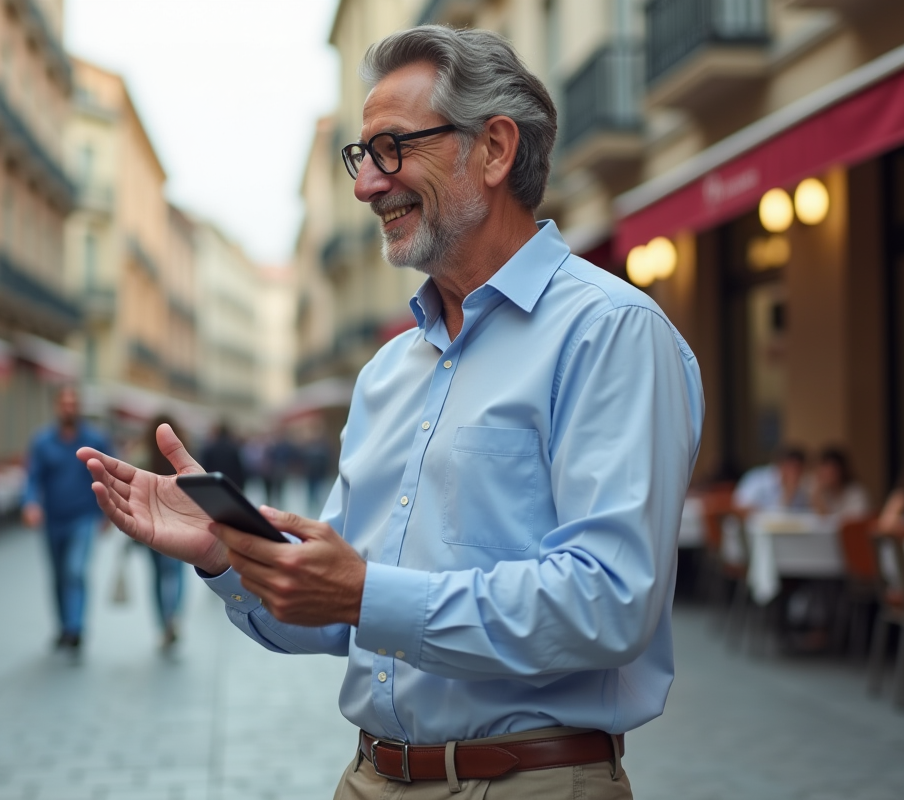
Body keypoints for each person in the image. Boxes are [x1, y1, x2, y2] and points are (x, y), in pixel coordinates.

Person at [82, 26, 702, 799]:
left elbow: (610, 601)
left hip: (530, 783)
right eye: (360, 156)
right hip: (370, 776)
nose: (367, 186)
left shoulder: (609, 331)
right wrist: (225, 553)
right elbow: (336, 617)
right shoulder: (385, 374)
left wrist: (366, 592)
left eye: (392, 149)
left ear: (495, 149)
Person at [22, 385, 112, 656]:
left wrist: (108, 512)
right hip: (53, 519)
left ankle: (75, 628)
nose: (69, 408)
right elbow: (32, 477)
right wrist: (29, 503)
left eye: (73, 403)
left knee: (75, 570)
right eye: (64, 403)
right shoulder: (42, 441)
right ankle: (63, 626)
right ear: (57, 406)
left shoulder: (95, 439)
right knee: (59, 575)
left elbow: (108, 476)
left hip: (83, 517)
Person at [137, 414, 188, 653]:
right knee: (176, 572)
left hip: (152, 527)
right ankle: (173, 616)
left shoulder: (143, 457)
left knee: (158, 575)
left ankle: (163, 622)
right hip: (180, 525)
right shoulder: (184, 456)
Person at [732, 445, 811, 514]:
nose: (794, 472)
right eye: (791, 467)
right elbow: (740, 508)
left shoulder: (802, 486)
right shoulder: (757, 478)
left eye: (799, 469)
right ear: (780, 465)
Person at [808, 447, 869, 518]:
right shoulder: (824, 492)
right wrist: (817, 495)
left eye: (831, 472)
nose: (825, 475)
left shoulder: (856, 494)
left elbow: (850, 524)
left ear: (841, 471)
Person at [200, 422, 246, 489]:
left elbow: (205, 468)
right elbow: (239, 470)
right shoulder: (233, 449)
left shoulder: (210, 449)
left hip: (214, 484)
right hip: (232, 484)